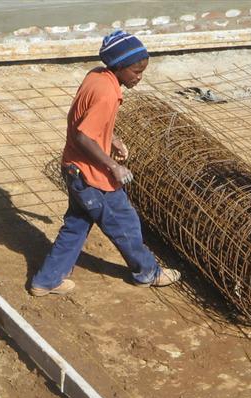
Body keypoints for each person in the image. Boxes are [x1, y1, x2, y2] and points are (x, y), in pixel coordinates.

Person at [30, 30, 180, 297]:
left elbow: (82, 120)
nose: (139, 77)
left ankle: (46, 281)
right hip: (93, 178)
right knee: (125, 223)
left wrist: (112, 138)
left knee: (76, 226)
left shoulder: (96, 76)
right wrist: (113, 166)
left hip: (73, 169)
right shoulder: (107, 94)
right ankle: (148, 272)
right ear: (119, 66)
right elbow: (83, 135)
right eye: (136, 71)